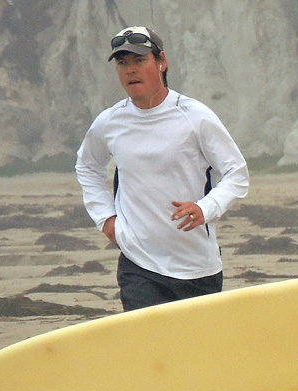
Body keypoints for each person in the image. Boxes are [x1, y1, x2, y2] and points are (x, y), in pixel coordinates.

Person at [75, 26, 249, 311]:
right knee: (150, 353)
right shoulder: (110, 122)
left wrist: (205, 208)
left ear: (161, 61)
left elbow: (236, 174)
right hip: (139, 263)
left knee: (196, 352)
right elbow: (87, 165)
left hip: (197, 268)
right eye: (123, 63)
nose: (130, 70)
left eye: (139, 61)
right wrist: (106, 219)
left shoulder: (195, 117)